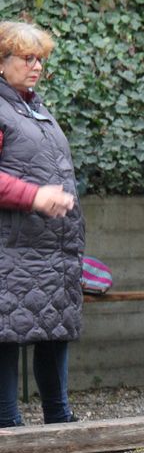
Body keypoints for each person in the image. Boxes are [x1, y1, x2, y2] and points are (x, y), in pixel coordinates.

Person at [0, 21, 82, 428]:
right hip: (10, 246)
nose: (36, 67)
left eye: (40, 60)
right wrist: (33, 196)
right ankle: (7, 426)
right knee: (6, 330)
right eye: (26, 58)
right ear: (2, 62)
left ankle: (59, 417)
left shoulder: (34, 106)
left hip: (52, 245)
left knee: (54, 325)